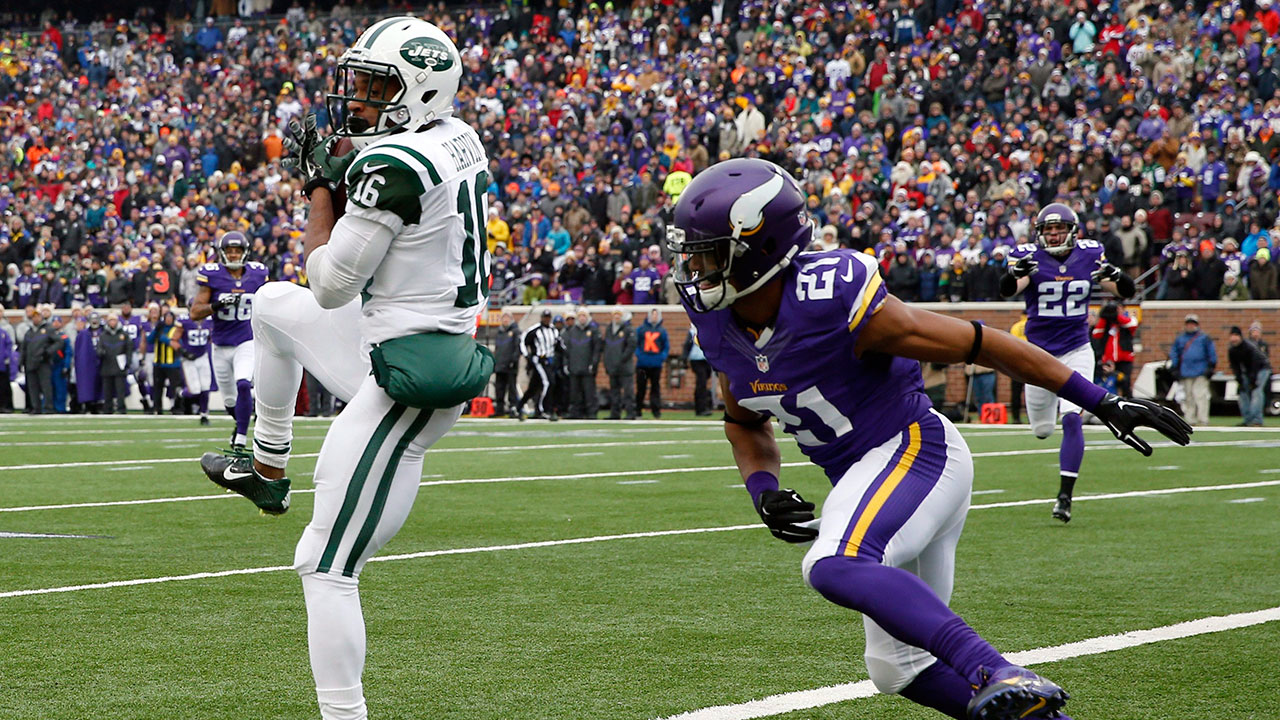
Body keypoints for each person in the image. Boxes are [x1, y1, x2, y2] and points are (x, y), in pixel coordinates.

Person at [666, 157, 1190, 720]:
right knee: (898, 668)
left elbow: (980, 343)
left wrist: (1100, 400)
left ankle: (995, 668)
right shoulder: (717, 321)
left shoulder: (828, 297)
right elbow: (744, 420)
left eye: (708, 253)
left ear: (762, 247)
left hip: (915, 451)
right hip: (872, 476)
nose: (693, 268)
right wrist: (764, 489)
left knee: (833, 562)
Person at [199, 18, 492, 720]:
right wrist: (345, 164)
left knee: (325, 564)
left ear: (421, 91)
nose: (357, 97)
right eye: (357, 81)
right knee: (271, 306)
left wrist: (319, 189)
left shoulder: (396, 165)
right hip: (391, 332)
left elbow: (330, 284)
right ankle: (267, 468)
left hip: (408, 373)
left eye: (376, 86)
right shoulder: (456, 135)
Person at [1002, 203, 1137, 523]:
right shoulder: (1029, 256)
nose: (1053, 235)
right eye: (1048, 230)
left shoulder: (1090, 255)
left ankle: (1064, 497)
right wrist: (1014, 274)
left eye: (1058, 229)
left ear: (1072, 231)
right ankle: (1050, 440)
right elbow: (1009, 289)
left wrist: (1118, 276)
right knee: (1042, 430)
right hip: (1037, 353)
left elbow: (1125, 291)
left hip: (1077, 349)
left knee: (1072, 419)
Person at [190, 231, 269, 449]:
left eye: (237, 250)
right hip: (220, 344)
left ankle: (241, 439)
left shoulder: (258, 274)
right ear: (222, 253)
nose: (234, 255)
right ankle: (240, 422)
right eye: (230, 251)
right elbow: (195, 312)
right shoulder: (212, 275)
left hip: (246, 340)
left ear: (245, 252)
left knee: (243, 383)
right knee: (229, 401)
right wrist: (217, 305)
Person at [1169, 314, 1217, 427]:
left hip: (1201, 371)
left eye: (1193, 324)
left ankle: (1203, 419)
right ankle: (1190, 419)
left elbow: (1211, 353)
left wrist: (1211, 367)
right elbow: (1174, 353)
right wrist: (1175, 367)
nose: (1190, 326)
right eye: (1188, 324)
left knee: (1200, 395)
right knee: (1188, 396)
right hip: (1185, 371)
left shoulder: (1204, 338)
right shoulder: (1180, 338)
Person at [1091, 302, 1139, 397]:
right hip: (1109, 360)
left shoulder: (1127, 321)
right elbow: (1096, 333)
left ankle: (1128, 401)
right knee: (1108, 384)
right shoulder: (1106, 323)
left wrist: (1117, 316)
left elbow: (1132, 324)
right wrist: (1104, 317)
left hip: (1124, 359)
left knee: (1125, 383)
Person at [173, 314, 214, 425]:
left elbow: (211, 337)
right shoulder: (184, 321)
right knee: (195, 391)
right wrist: (184, 353)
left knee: (206, 387)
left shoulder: (209, 320)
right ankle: (180, 393)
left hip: (203, 357)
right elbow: (173, 340)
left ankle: (204, 415)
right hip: (189, 360)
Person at [561, 308, 602, 419]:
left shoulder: (593, 331)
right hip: (574, 366)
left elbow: (596, 350)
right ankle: (575, 412)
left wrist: (594, 363)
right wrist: (566, 364)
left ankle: (591, 412)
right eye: (580, 316)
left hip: (587, 367)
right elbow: (567, 350)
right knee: (574, 392)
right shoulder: (572, 331)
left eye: (584, 316)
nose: (582, 318)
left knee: (589, 392)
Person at [520, 308, 559, 420]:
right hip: (539, 360)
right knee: (548, 383)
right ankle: (543, 409)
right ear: (541, 318)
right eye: (545, 317)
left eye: (548, 317)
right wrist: (527, 356)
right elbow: (523, 340)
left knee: (534, 387)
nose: (546, 320)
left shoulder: (554, 330)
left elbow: (559, 344)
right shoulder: (535, 330)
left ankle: (519, 406)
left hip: (549, 361)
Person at [1228, 326, 1270, 427]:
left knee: (1256, 392)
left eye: (1236, 336)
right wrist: (1239, 380)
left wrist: (1253, 380)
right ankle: (1248, 420)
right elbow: (1235, 366)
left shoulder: (1249, 347)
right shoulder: (1232, 350)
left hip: (1261, 369)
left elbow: (1255, 363)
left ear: (1240, 337)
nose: (1234, 338)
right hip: (1248, 371)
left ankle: (1256, 420)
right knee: (1243, 393)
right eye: (1232, 336)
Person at [20, 307, 56, 414]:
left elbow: (59, 342)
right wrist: (21, 362)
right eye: (34, 317)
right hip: (30, 362)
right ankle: (36, 407)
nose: (36, 319)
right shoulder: (29, 332)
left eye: (38, 316)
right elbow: (24, 348)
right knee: (32, 387)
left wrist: (48, 352)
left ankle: (48, 407)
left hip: (42, 362)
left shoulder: (48, 329)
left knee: (46, 386)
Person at [603, 310, 637, 419]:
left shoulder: (628, 329)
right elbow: (606, 347)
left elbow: (631, 346)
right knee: (614, 392)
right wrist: (607, 362)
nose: (617, 317)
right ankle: (615, 413)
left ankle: (630, 412)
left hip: (625, 367)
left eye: (619, 315)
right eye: (615, 315)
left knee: (628, 392)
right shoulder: (609, 329)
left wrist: (622, 359)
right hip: (612, 366)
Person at [147, 310, 183, 414]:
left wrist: (164, 339)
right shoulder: (159, 328)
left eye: (170, 317)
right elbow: (149, 340)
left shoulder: (176, 329)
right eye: (167, 317)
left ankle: (177, 408)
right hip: (158, 363)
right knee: (157, 388)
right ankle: (157, 408)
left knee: (175, 388)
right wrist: (155, 330)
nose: (168, 319)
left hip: (173, 363)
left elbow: (178, 344)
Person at [634, 307, 668, 418]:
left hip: (656, 364)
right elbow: (636, 344)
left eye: (656, 315)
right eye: (652, 314)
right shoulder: (641, 329)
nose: (654, 317)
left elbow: (666, 346)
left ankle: (656, 411)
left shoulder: (662, 331)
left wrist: (661, 357)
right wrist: (639, 355)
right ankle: (638, 410)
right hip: (642, 364)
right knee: (641, 388)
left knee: (655, 388)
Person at [97, 314, 131, 414]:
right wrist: (101, 352)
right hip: (106, 366)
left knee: (120, 390)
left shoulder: (124, 335)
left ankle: (121, 408)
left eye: (114, 320)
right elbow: (99, 348)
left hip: (119, 366)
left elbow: (129, 349)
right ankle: (108, 409)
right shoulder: (103, 335)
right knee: (107, 391)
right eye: (110, 320)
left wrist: (127, 362)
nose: (112, 322)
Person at [491, 312, 522, 417]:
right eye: (504, 318)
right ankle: (499, 409)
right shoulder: (499, 333)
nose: (505, 320)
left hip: (510, 365)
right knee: (499, 388)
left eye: (507, 318)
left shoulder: (515, 332)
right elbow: (497, 349)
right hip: (500, 365)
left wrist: (514, 360)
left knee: (512, 388)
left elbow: (518, 347)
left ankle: (513, 408)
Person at [73, 313, 103, 413]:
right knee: (87, 384)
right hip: (87, 363)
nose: (94, 321)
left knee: (101, 384)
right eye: (92, 319)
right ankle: (88, 404)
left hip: (101, 361)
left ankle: (100, 404)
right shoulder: (83, 334)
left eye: (96, 319)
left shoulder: (103, 332)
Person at [682, 324, 713, 415]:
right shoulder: (693, 331)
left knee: (703, 382)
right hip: (696, 360)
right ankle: (700, 408)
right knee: (701, 382)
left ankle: (703, 405)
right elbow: (687, 345)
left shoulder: (709, 330)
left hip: (706, 360)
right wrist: (684, 359)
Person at [0, 319, 14, 412]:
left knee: (4, 386)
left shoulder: (3, 333)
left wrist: (5, 356)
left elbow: (9, 345)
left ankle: (5, 406)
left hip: (2, 365)